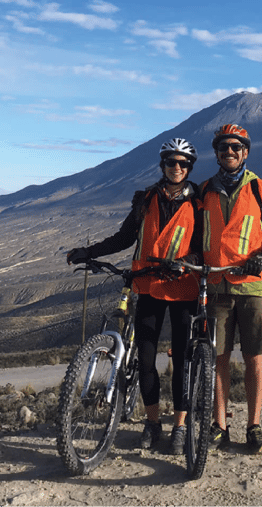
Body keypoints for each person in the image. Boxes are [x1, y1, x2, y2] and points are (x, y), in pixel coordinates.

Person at [66, 138, 202, 455]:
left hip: (183, 289)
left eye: (183, 163)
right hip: (149, 287)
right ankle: (152, 423)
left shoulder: (199, 203)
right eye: (171, 162)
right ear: (163, 165)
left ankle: (180, 426)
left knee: (182, 361)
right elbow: (125, 238)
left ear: (189, 167)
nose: (177, 167)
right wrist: (89, 251)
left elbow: (203, 246)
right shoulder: (146, 200)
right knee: (146, 361)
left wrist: (187, 262)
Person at [200, 124, 262, 453]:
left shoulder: (261, 189)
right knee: (218, 359)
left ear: (245, 152)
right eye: (223, 147)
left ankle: (254, 426)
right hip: (217, 284)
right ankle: (219, 426)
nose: (229, 151)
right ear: (216, 152)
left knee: (254, 357)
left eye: (235, 147)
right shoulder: (203, 191)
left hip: (254, 286)